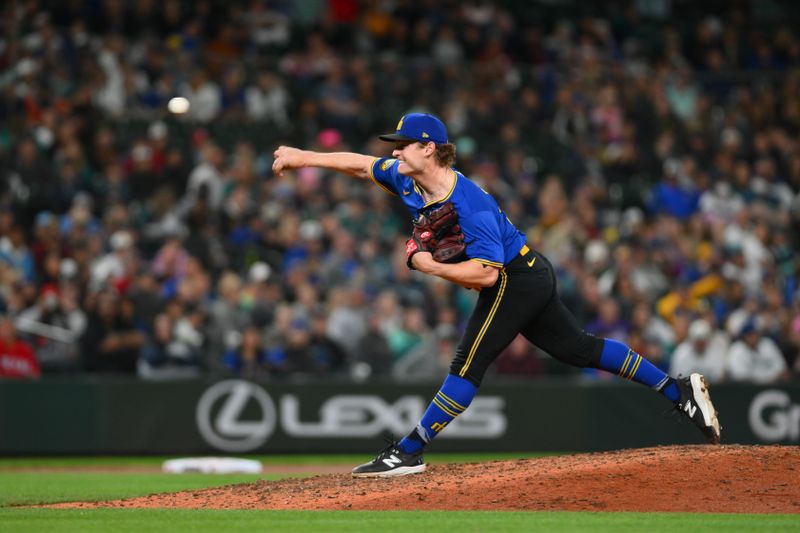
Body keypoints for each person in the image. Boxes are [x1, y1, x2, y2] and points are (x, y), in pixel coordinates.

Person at [272, 112, 721, 478]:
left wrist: (429, 265)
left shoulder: (471, 204)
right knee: (579, 349)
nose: (395, 150)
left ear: (429, 149)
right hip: (528, 270)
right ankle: (675, 389)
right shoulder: (407, 178)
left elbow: (486, 276)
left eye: (404, 143)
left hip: (515, 278)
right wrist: (300, 156)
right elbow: (358, 164)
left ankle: (408, 451)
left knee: (468, 362)